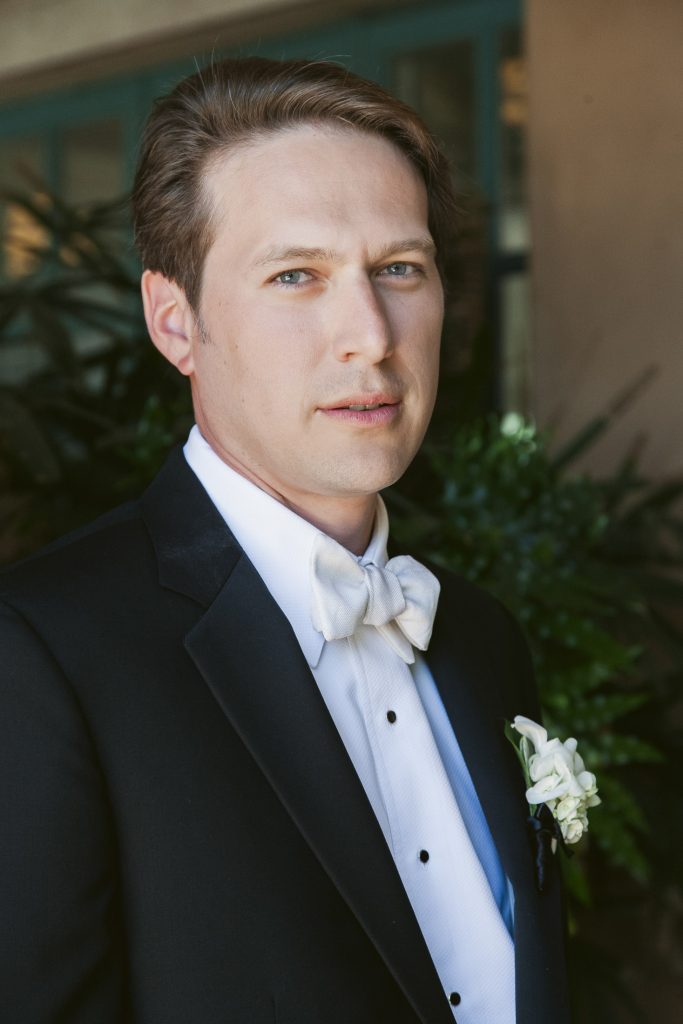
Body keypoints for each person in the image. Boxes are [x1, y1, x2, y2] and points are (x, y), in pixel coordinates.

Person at [0, 57, 569, 1023]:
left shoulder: (479, 638)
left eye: (399, 269)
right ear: (175, 322)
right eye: (295, 275)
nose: (370, 335)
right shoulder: (43, 654)